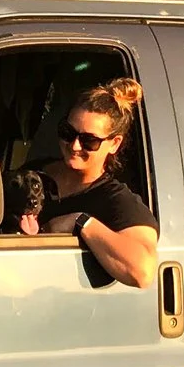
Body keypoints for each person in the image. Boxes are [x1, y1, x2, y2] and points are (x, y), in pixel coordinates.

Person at [19, 78, 160, 288]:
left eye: (89, 141)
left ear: (114, 144)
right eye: (68, 133)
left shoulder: (115, 200)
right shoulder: (30, 176)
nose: (74, 145)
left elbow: (142, 272)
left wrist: (81, 221)